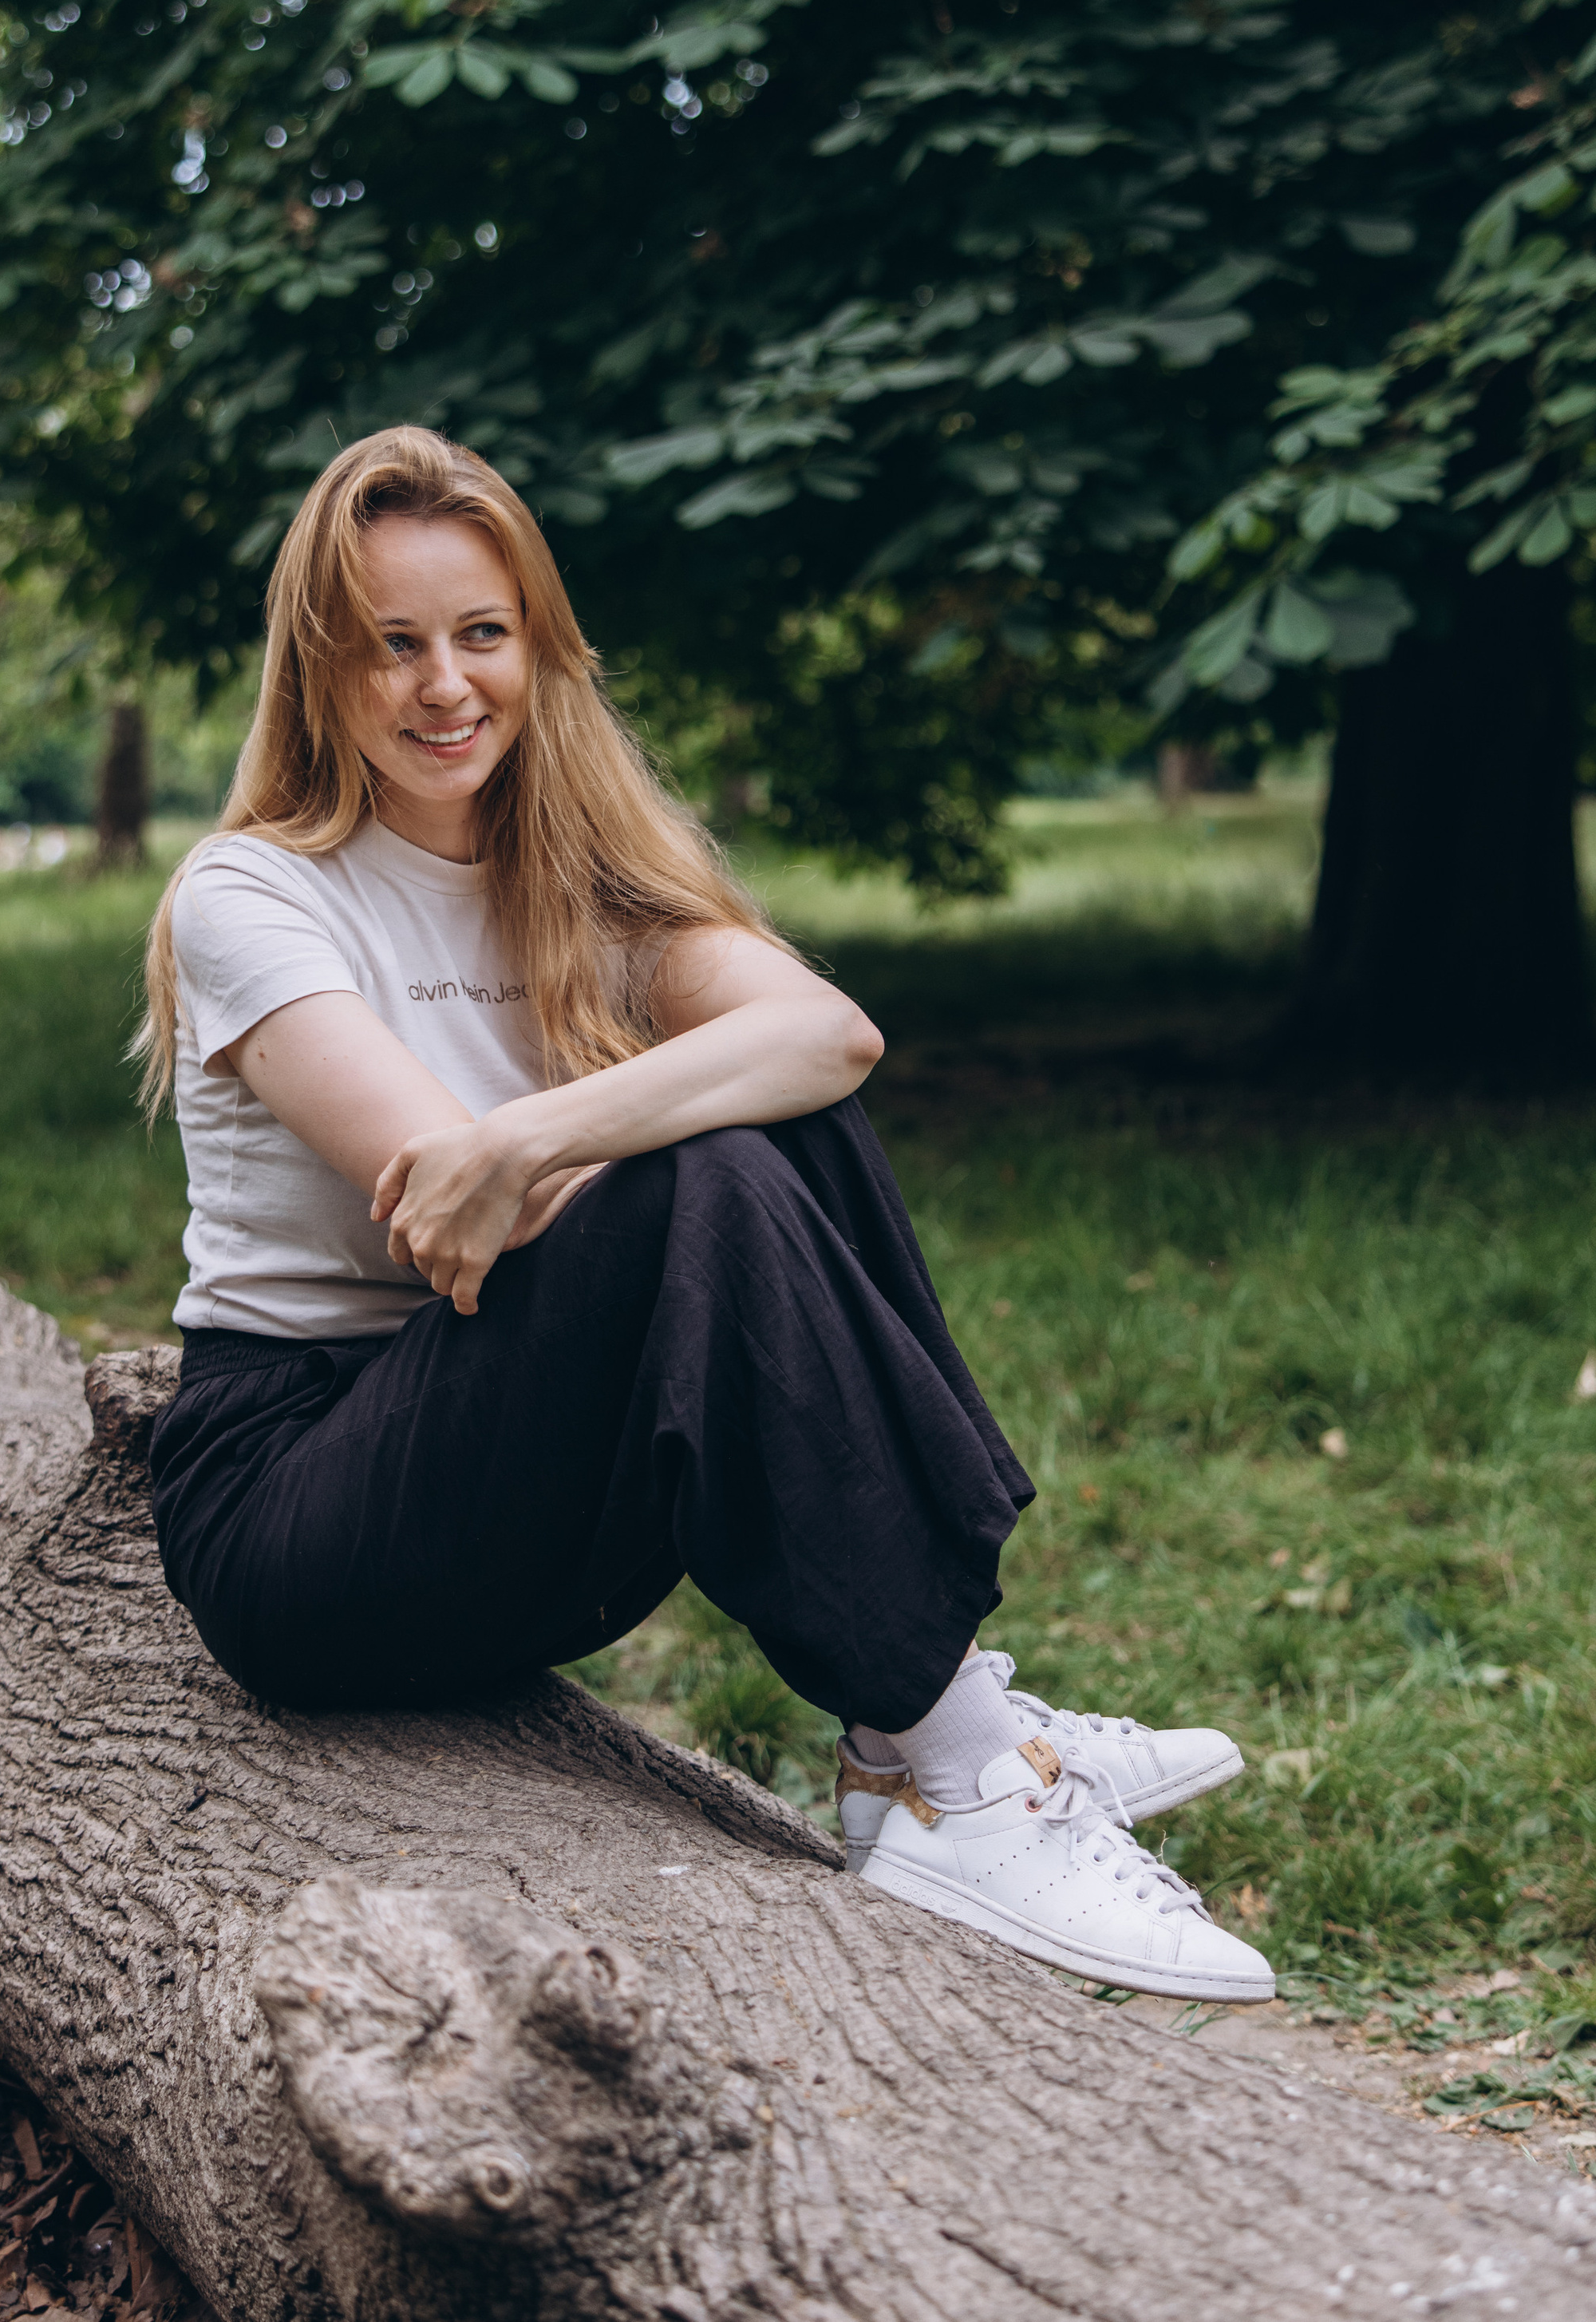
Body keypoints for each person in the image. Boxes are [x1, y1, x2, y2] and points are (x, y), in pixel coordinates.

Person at [137, 425, 1274, 2003]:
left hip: (503, 1485)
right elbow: (454, 1211)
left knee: (772, 1124)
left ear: (539, 648)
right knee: (705, 1167)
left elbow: (826, 1035)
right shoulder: (251, 892)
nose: (442, 682)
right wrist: (592, 1141)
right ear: (319, 668)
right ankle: (957, 1767)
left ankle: (925, 1721)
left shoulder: (578, 885)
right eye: (389, 644)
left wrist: (544, 1121)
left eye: (481, 633)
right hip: (299, 1516)